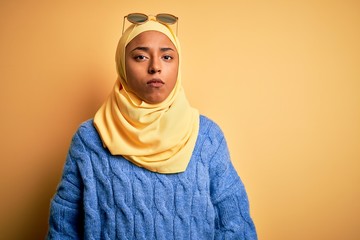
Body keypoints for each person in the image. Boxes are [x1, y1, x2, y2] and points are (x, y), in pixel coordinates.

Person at [47, 13, 257, 239]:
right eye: (140, 57)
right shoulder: (89, 139)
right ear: (121, 64)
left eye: (167, 57)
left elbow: (236, 225)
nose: (155, 67)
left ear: (179, 64)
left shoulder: (207, 137)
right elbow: (64, 227)